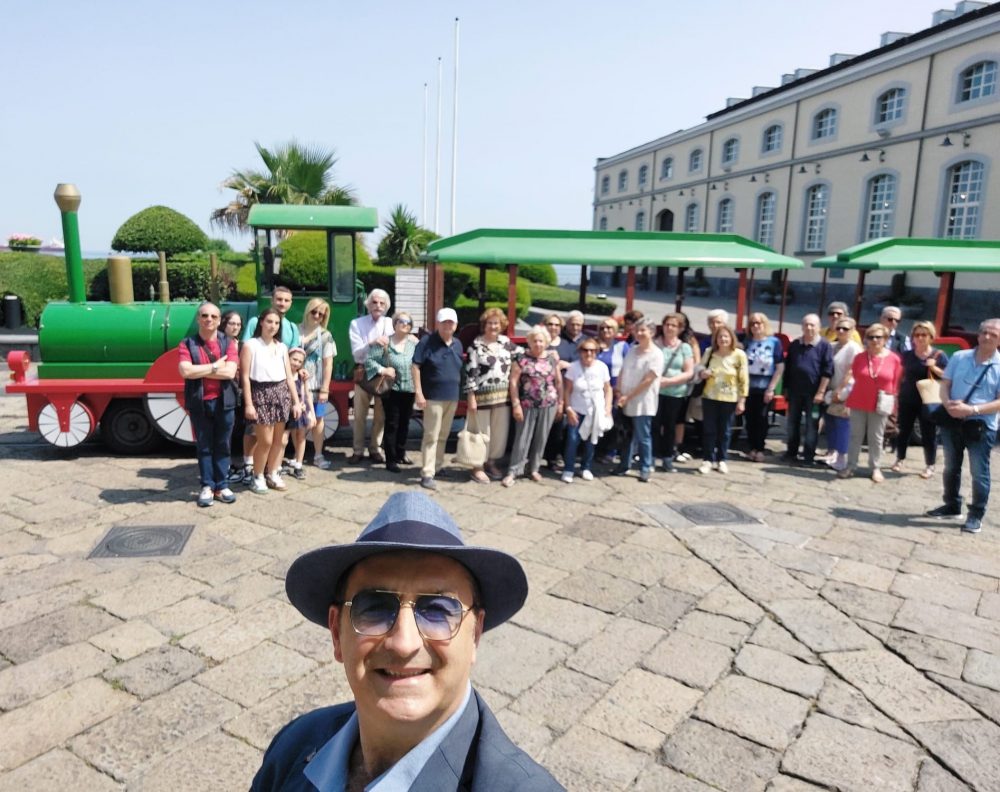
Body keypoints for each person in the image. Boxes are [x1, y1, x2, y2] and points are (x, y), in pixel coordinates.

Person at [252, 491, 563, 791]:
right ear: (337, 632)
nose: (403, 643)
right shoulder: (294, 744)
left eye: (439, 611)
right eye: (373, 608)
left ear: (475, 634)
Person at [925, 319, 1000, 534]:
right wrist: (947, 403)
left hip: (981, 425)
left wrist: (972, 410)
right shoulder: (959, 357)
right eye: (984, 332)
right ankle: (951, 504)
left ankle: (976, 514)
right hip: (952, 421)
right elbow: (945, 384)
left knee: (979, 472)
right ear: (977, 335)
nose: (987, 337)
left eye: (993, 334)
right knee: (950, 466)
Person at [178, 302, 239, 507]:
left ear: (219, 320)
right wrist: (214, 366)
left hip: (225, 402)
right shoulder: (187, 344)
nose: (209, 319)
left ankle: (222, 485)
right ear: (198, 319)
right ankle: (207, 485)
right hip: (200, 402)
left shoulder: (228, 343)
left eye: (213, 316)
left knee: (223, 445)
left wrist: (199, 370)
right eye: (205, 315)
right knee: (204, 446)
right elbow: (185, 371)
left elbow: (230, 372)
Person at [241, 308, 303, 494]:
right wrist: (249, 404)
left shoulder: (282, 347)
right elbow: (244, 377)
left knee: (279, 440)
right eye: (269, 321)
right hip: (260, 393)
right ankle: (257, 475)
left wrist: (296, 401)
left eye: (276, 323)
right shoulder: (250, 345)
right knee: (265, 440)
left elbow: (289, 377)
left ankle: (272, 472)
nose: (273, 326)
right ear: (261, 322)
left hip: (281, 393)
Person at [839, 322, 903, 482]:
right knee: (855, 436)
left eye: (878, 337)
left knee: (877, 437)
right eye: (871, 337)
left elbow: (896, 383)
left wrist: (893, 405)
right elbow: (853, 378)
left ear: (886, 339)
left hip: (881, 403)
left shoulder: (894, 359)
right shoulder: (860, 357)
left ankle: (875, 467)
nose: (874, 340)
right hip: (859, 401)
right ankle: (850, 465)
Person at [503, 326, 563, 487]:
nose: (538, 344)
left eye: (541, 341)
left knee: (541, 437)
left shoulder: (552, 359)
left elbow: (558, 381)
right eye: (534, 340)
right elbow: (514, 382)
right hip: (527, 403)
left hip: (548, 404)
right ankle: (514, 470)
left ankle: (534, 468)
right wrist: (516, 404)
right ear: (529, 341)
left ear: (546, 342)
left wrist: (561, 403)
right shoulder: (522, 358)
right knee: (522, 438)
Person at [464, 308, 518, 483]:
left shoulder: (506, 343)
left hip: (503, 397)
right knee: (480, 434)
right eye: (490, 323)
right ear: (484, 325)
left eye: (496, 323)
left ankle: (491, 462)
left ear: (501, 325)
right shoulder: (476, 345)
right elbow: (470, 372)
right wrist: (471, 396)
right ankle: (477, 466)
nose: (493, 326)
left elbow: (525, 355)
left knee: (498, 434)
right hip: (481, 397)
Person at [412, 307, 464, 491]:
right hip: (433, 396)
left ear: (456, 325)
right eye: (444, 322)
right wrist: (419, 392)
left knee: (443, 435)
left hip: (452, 395)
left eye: (451, 322)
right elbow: (416, 366)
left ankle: (438, 466)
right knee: (431, 435)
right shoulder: (426, 342)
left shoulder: (458, 343)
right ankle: (427, 473)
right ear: (438, 323)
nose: (447, 325)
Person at [892, 321, 948, 479]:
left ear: (931, 337)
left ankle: (930, 464)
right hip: (908, 397)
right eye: (917, 335)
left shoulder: (938, 355)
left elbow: (949, 376)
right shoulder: (908, 355)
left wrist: (934, 368)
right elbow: (900, 374)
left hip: (929, 400)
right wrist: (896, 392)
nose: (920, 338)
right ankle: (899, 458)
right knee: (904, 430)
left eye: (924, 335)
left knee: (928, 433)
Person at [613, 317, 665, 482]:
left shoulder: (656, 354)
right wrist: (619, 390)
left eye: (643, 330)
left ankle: (645, 467)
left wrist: (629, 396)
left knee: (643, 436)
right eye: (637, 330)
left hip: (643, 401)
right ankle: (624, 464)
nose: (639, 333)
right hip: (625, 398)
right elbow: (623, 370)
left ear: (652, 332)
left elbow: (648, 380)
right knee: (626, 434)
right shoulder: (632, 350)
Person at [366, 311, 418, 473]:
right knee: (392, 424)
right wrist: (383, 369)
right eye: (401, 321)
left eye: (409, 322)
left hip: (409, 389)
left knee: (405, 423)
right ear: (394, 324)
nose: (405, 324)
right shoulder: (385, 342)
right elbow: (369, 360)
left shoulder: (414, 344)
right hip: (392, 390)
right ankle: (391, 459)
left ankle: (401, 453)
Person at [348, 289, 394, 464]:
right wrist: (372, 343)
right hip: (363, 372)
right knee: (359, 415)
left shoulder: (390, 323)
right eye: (374, 302)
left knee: (381, 415)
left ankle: (375, 448)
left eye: (382, 303)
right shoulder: (356, 323)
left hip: (384, 374)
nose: (378, 306)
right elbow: (356, 352)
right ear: (368, 304)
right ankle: (357, 450)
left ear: (387, 306)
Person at [696, 324, 748, 474]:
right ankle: (707, 459)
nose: (723, 339)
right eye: (720, 337)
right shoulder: (710, 352)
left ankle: (722, 459)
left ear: (731, 338)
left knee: (725, 431)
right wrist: (703, 373)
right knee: (709, 429)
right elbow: (699, 368)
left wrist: (742, 400)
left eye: (726, 336)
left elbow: (744, 378)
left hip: (730, 397)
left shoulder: (739, 355)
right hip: (710, 396)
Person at [783, 314, 833, 466]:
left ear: (818, 327)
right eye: (806, 325)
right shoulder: (795, 344)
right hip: (794, 392)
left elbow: (827, 371)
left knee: (812, 426)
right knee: (792, 423)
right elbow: (788, 367)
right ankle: (791, 452)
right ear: (802, 326)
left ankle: (808, 455)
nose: (809, 328)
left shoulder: (824, 345)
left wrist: (821, 392)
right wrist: (785, 388)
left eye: (813, 325)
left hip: (814, 394)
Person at [561, 338, 612, 484]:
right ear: (580, 352)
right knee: (572, 440)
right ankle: (569, 468)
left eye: (592, 350)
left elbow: (608, 389)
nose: (588, 353)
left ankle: (586, 467)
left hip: (595, 411)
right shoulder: (574, 368)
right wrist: (568, 408)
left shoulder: (602, 367)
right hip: (577, 410)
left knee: (591, 440)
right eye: (585, 350)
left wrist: (607, 407)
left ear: (596, 352)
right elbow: (568, 390)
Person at [653, 313, 694, 472]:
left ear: (680, 329)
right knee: (654, 425)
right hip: (656, 392)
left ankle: (667, 457)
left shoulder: (685, 347)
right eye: (667, 324)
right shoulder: (655, 345)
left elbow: (689, 372)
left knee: (670, 426)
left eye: (673, 325)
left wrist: (670, 381)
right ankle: (651, 456)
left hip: (675, 393)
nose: (669, 328)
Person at [299, 297, 336, 470]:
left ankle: (318, 455)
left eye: (321, 314)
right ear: (307, 311)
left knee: (319, 419)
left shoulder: (326, 336)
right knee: (297, 421)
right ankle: (297, 458)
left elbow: (328, 364)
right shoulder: (295, 331)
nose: (317, 316)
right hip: (296, 384)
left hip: (316, 385)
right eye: (314, 312)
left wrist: (325, 389)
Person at [743, 312, 785, 463]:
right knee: (749, 418)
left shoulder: (774, 342)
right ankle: (751, 447)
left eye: (758, 323)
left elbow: (779, 366)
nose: (755, 326)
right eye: (752, 323)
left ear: (764, 325)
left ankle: (759, 448)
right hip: (748, 386)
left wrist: (771, 388)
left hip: (765, 386)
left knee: (761, 418)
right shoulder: (747, 341)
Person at [825, 317, 863, 472]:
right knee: (831, 421)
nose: (841, 331)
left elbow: (851, 371)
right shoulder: (832, 346)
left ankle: (842, 457)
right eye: (839, 328)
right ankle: (832, 452)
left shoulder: (853, 348)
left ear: (852, 331)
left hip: (846, 390)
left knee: (842, 423)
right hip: (832, 388)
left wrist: (840, 390)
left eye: (845, 329)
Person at [595, 317, 630, 463]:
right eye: (602, 328)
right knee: (597, 418)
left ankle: (611, 451)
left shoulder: (622, 346)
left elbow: (628, 368)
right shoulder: (594, 345)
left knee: (614, 421)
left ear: (615, 330)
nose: (605, 330)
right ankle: (596, 450)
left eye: (609, 327)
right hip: (597, 387)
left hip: (615, 387)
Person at [220, 310, 249, 485]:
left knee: (240, 429)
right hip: (224, 391)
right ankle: (227, 466)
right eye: (232, 323)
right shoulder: (218, 343)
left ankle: (238, 464)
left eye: (238, 324)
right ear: (224, 323)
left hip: (241, 391)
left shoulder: (243, 344)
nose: (235, 327)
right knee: (226, 431)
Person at [286, 347, 316, 480]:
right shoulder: (283, 373)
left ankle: (298, 464)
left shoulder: (302, 376)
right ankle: (276, 466)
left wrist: (312, 413)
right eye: (294, 359)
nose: (296, 363)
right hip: (286, 409)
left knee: (301, 436)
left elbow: (307, 394)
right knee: (282, 439)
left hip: (301, 408)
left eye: (300, 361)